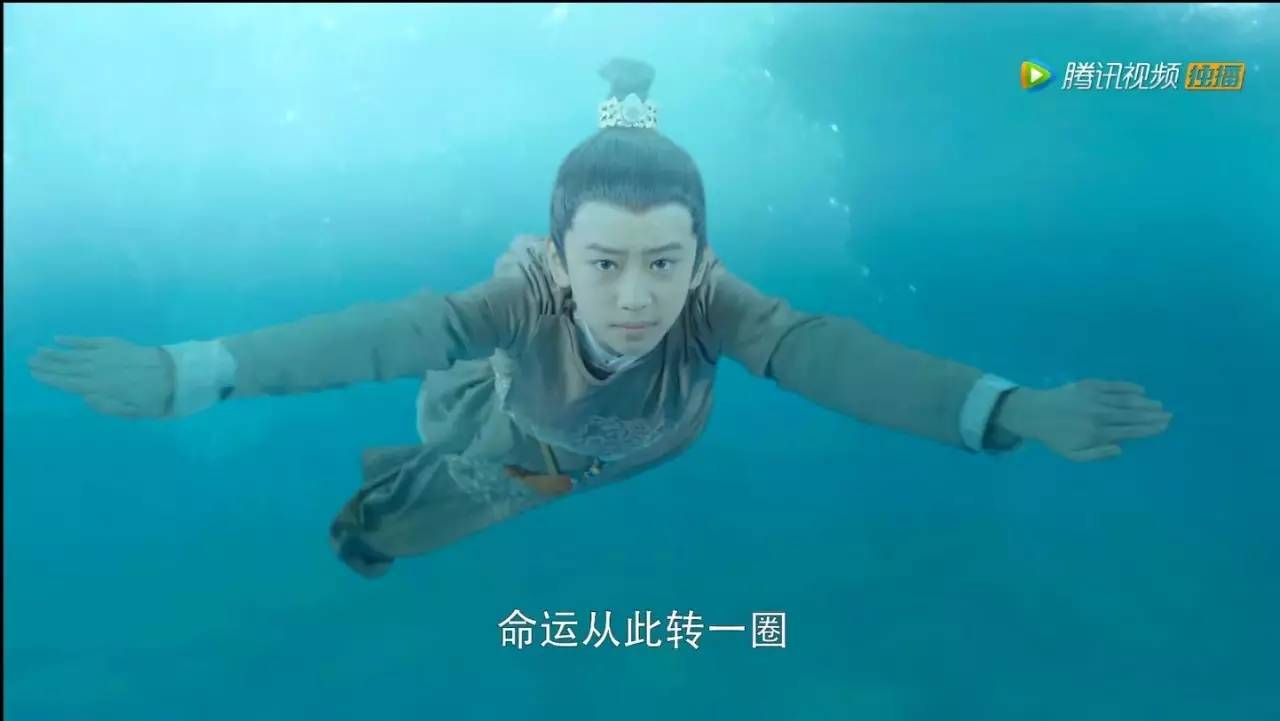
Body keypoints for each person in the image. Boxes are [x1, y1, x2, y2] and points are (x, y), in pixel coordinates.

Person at [27, 58, 1173, 578]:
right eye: (604, 265)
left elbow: (824, 356)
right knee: (404, 507)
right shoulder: (527, 290)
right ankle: (374, 525)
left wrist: (1004, 408)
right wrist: (197, 369)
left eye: (663, 263)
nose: (635, 299)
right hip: (513, 425)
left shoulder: (711, 294)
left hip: (613, 449)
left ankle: (629, 101)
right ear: (562, 260)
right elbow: (393, 332)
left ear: (697, 255)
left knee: (631, 172)